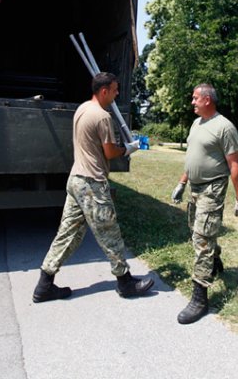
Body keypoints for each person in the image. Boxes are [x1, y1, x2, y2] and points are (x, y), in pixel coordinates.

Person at [33, 72, 152, 303]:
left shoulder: (82, 109)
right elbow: (109, 152)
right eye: (115, 90)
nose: (117, 94)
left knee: (67, 234)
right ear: (104, 90)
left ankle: (44, 285)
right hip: (92, 184)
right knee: (111, 234)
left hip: (76, 178)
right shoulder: (102, 117)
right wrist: (128, 148)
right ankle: (125, 283)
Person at [170, 83, 238, 325]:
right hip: (194, 187)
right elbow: (193, 158)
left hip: (212, 189)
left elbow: (234, 165)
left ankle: (200, 298)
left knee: (202, 239)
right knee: (198, 232)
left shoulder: (224, 127)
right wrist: (182, 183)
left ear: (207, 100)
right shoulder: (197, 124)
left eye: (195, 98)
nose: (192, 102)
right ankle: (214, 259)